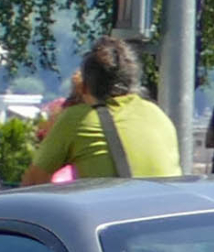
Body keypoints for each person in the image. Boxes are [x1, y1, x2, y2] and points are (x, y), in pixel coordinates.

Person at [21, 35, 181, 181]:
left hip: (115, 211)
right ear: (132, 82)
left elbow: (33, 184)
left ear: (84, 88)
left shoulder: (77, 118)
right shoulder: (157, 114)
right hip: (167, 209)